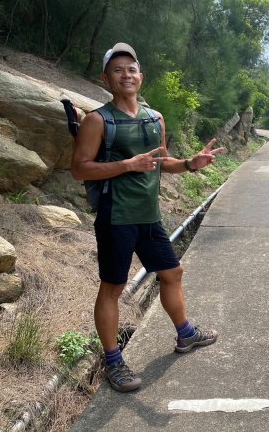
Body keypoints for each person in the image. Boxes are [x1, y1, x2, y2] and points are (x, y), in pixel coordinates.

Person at [71, 43, 225, 393]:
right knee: (112, 288)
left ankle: (185, 334)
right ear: (106, 78)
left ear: (141, 76)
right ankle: (113, 361)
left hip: (149, 217)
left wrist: (189, 164)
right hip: (116, 217)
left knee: (172, 273)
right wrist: (126, 165)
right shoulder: (98, 121)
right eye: (118, 69)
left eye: (132, 68)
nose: (126, 74)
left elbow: (162, 162)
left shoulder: (155, 118)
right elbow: (79, 170)